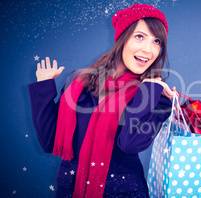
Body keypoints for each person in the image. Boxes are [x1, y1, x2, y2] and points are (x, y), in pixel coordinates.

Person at [28, 4, 174, 198]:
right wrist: (43, 88)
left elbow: (130, 144)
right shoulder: (78, 81)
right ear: (122, 38)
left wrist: (147, 93)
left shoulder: (157, 97)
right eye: (140, 36)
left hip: (124, 193)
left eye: (157, 42)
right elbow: (48, 142)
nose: (148, 49)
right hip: (69, 190)